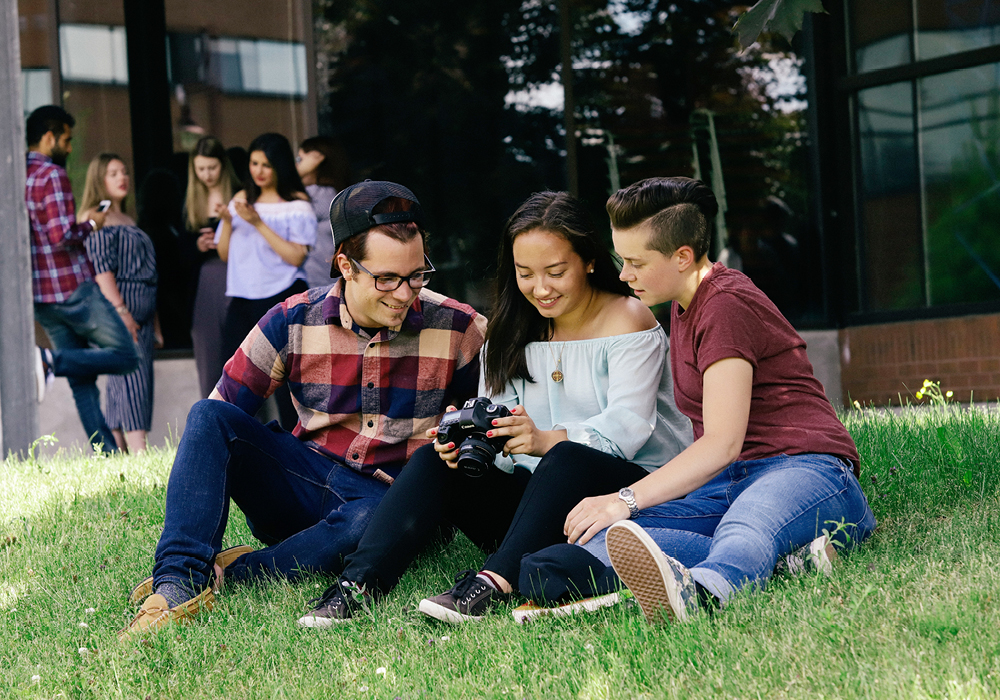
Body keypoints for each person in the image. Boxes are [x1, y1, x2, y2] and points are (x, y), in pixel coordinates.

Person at [298, 191, 691, 628]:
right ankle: (359, 584)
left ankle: (495, 580)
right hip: (543, 513)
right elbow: (501, 421)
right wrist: (472, 441)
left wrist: (544, 440)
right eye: (525, 274)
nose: (540, 289)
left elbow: (627, 429)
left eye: (556, 272)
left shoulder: (629, 318)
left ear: (590, 261)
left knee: (565, 455)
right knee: (434, 458)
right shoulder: (511, 329)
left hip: (628, 501)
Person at [119, 180, 486, 641]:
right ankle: (177, 583)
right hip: (303, 482)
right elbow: (219, 416)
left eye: (417, 275)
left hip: (393, 504)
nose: (405, 292)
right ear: (345, 266)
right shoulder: (293, 318)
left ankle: (236, 573)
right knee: (207, 418)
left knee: (367, 519)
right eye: (387, 278)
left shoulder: (460, 327)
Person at [520, 177, 875, 625]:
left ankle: (707, 593)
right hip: (728, 484)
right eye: (620, 260)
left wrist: (625, 498)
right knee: (601, 542)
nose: (624, 274)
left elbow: (723, 442)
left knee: (745, 525)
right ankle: (785, 561)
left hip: (805, 469)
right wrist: (622, 514)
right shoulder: (682, 304)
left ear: (682, 257)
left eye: (635, 262)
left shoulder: (726, 304)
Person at [26, 105, 138, 454]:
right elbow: (61, 235)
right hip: (71, 289)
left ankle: (106, 455)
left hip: (40, 296)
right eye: (67, 140)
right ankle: (49, 362)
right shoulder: (51, 175)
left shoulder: (16, 173)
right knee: (125, 354)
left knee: (82, 381)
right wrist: (91, 224)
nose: (70, 148)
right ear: (49, 137)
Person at [216, 132, 317, 430]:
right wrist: (226, 220)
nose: (258, 171)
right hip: (243, 297)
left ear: (280, 167)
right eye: (254, 163)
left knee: (289, 381)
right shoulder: (241, 200)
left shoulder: (296, 205)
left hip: (283, 295)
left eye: (266, 165)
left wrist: (258, 222)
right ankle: (237, 441)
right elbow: (225, 254)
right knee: (234, 375)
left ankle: (294, 446)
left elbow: (296, 257)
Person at [79, 154, 160, 453]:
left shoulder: (127, 218)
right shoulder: (96, 218)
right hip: (119, 312)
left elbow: (148, 272)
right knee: (132, 378)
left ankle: (116, 451)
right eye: (113, 173)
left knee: (123, 381)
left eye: (124, 172)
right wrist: (121, 312)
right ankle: (139, 450)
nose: (122, 177)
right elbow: (102, 271)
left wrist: (155, 321)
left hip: (143, 312)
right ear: (99, 179)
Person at [183, 136, 241, 398]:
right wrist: (197, 245)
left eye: (212, 168)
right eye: (201, 169)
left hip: (237, 278)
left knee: (242, 354)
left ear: (223, 166)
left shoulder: (238, 193)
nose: (207, 175)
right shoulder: (189, 200)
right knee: (209, 354)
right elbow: (178, 254)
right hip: (205, 281)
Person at [296, 136, 350, 288]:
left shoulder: (321, 194)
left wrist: (298, 173)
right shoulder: (337, 195)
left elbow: (274, 197)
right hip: (327, 284)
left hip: (319, 287)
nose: (296, 165)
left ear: (317, 163)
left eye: (300, 160)